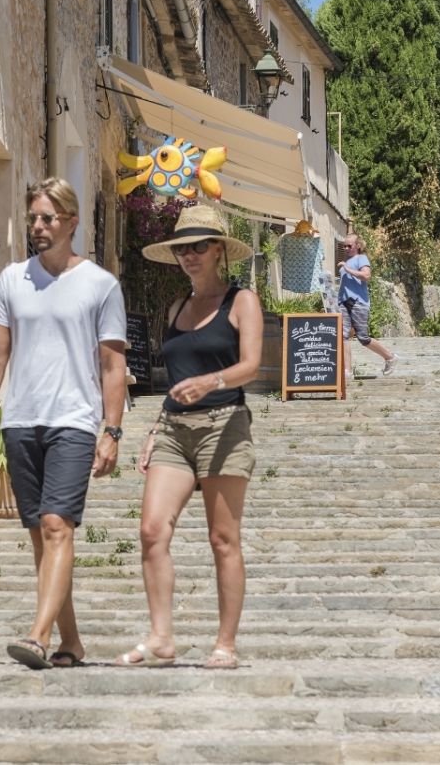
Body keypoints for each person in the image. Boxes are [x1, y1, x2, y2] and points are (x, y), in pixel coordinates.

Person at [0, 178, 127, 670]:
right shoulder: (13, 279)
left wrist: (110, 430)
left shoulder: (100, 285)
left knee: (57, 526)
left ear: (72, 222)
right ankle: (72, 641)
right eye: (33, 218)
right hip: (21, 422)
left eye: (48, 218)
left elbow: (113, 365)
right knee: (43, 537)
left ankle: (38, 635)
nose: (38, 227)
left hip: (73, 421)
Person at [123, 205, 263, 670]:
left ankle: (226, 643)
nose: (190, 255)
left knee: (223, 537)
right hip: (174, 430)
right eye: (183, 248)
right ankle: (162, 637)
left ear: (219, 250)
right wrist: (154, 430)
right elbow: (176, 380)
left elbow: (250, 366)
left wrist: (211, 382)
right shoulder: (176, 308)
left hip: (224, 424)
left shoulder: (241, 301)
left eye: (199, 246)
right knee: (151, 530)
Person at [338, 234, 398, 377]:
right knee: (343, 336)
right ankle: (347, 371)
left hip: (358, 302)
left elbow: (366, 276)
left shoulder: (361, 259)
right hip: (343, 302)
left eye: (349, 246)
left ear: (357, 246)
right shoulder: (348, 261)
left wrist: (347, 269)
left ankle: (390, 357)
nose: (346, 248)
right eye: (344, 246)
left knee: (363, 337)